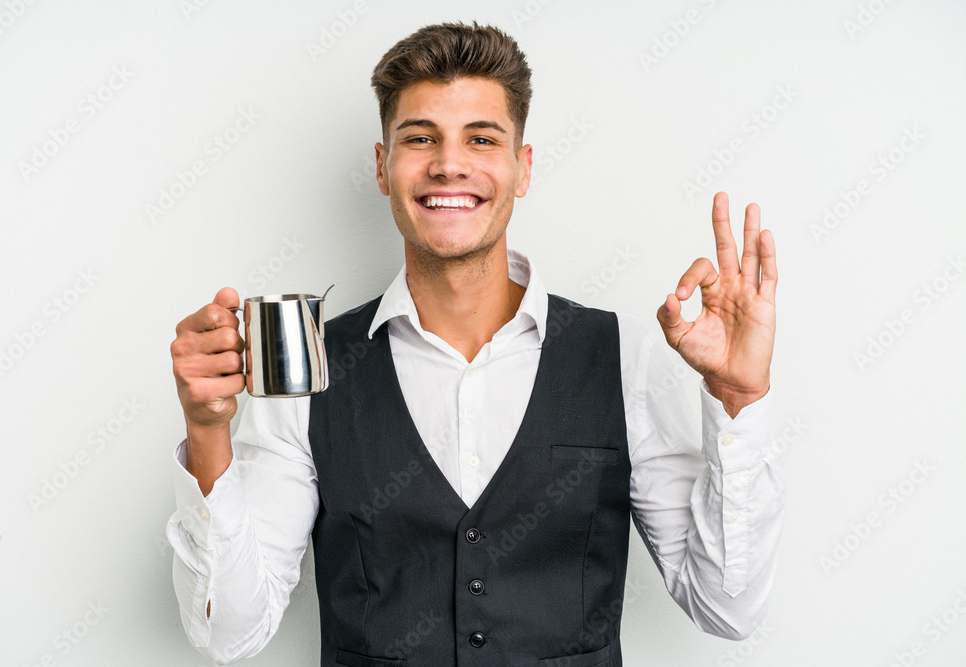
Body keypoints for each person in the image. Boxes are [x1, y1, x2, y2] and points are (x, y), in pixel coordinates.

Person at [166, 22, 782, 666]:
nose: (449, 163)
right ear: (383, 167)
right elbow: (230, 635)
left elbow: (727, 608)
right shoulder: (315, 369)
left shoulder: (620, 355)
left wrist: (739, 397)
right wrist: (209, 431)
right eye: (419, 137)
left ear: (523, 167)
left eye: (481, 139)